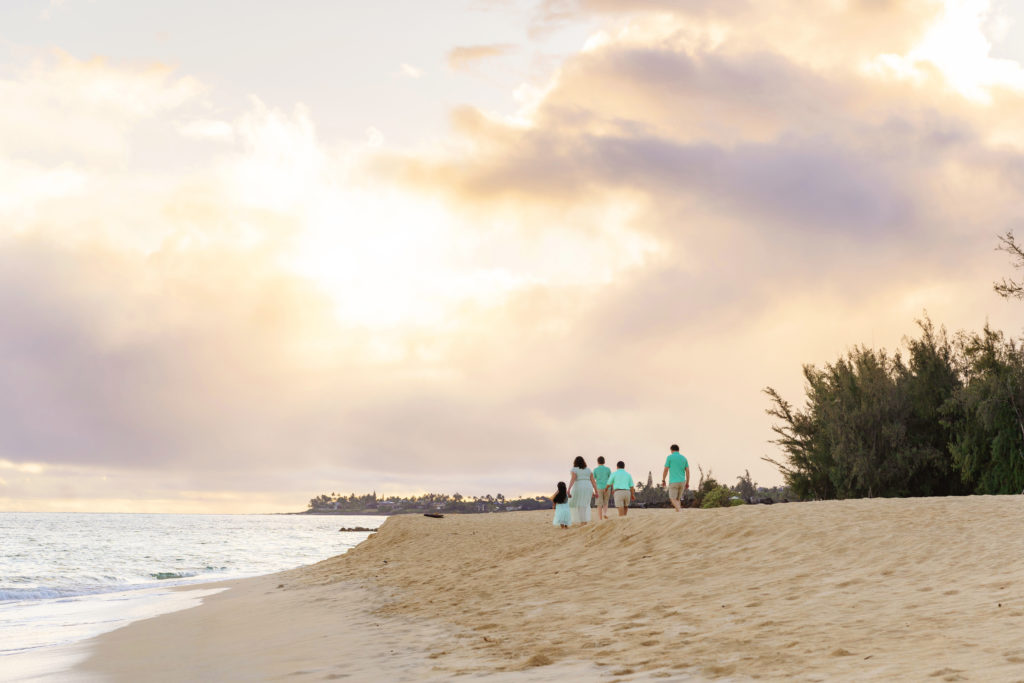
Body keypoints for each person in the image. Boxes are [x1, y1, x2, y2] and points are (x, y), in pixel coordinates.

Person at [567, 456, 598, 525]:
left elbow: (573, 479)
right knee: (584, 504)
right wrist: (596, 491)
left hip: (579, 486)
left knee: (579, 504)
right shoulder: (588, 470)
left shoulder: (574, 469)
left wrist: (568, 489)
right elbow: (593, 482)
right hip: (588, 487)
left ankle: (583, 522)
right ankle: (584, 521)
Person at [661, 444, 690, 512]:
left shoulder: (670, 457)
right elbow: (688, 471)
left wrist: (663, 480)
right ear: (678, 450)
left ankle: (680, 511)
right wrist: (687, 482)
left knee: (672, 499)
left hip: (673, 481)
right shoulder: (684, 458)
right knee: (677, 499)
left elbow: (666, 470)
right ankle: (678, 515)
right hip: (682, 481)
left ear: (671, 450)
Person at [592, 456, 612, 520]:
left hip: (599, 488)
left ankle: (600, 519)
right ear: (604, 461)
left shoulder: (595, 470)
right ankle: (605, 513)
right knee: (606, 502)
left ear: (598, 462)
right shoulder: (608, 469)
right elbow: (611, 479)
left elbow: (593, 479)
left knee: (599, 504)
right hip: (607, 488)